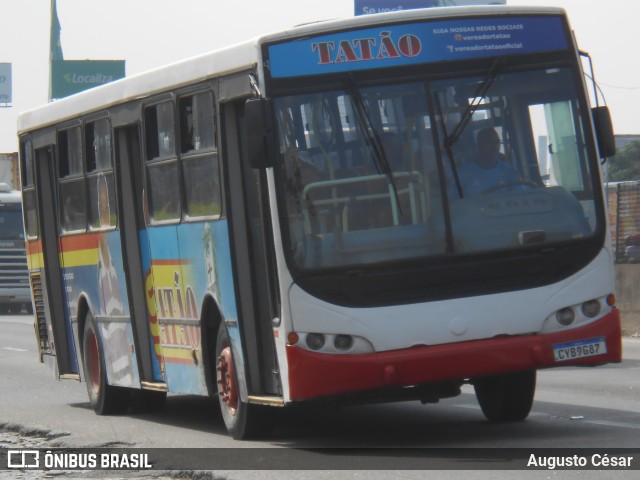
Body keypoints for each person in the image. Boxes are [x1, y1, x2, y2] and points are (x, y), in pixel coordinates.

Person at [453, 127, 521, 198]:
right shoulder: (461, 174)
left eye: (497, 142)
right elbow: (454, 203)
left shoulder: (510, 171)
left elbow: (520, 197)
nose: (495, 146)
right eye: (489, 142)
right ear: (479, 146)